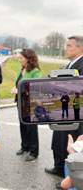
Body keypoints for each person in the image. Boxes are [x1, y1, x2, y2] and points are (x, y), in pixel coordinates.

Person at [45, 35, 83, 178]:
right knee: (59, 142)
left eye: (69, 46)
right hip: (63, 113)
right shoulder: (71, 65)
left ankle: (71, 179)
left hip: (75, 117)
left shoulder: (82, 65)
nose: (65, 49)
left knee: (71, 146)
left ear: (80, 48)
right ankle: (59, 168)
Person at [11, 48, 41, 161]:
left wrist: (20, 90)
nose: (19, 59)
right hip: (21, 102)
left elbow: (36, 87)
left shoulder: (35, 71)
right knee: (22, 124)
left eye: (21, 58)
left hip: (30, 103)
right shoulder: (21, 69)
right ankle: (25, 146)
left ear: (28, 59)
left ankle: (34, 152)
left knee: (31, 127)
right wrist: (16, 87)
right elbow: (19, 83)